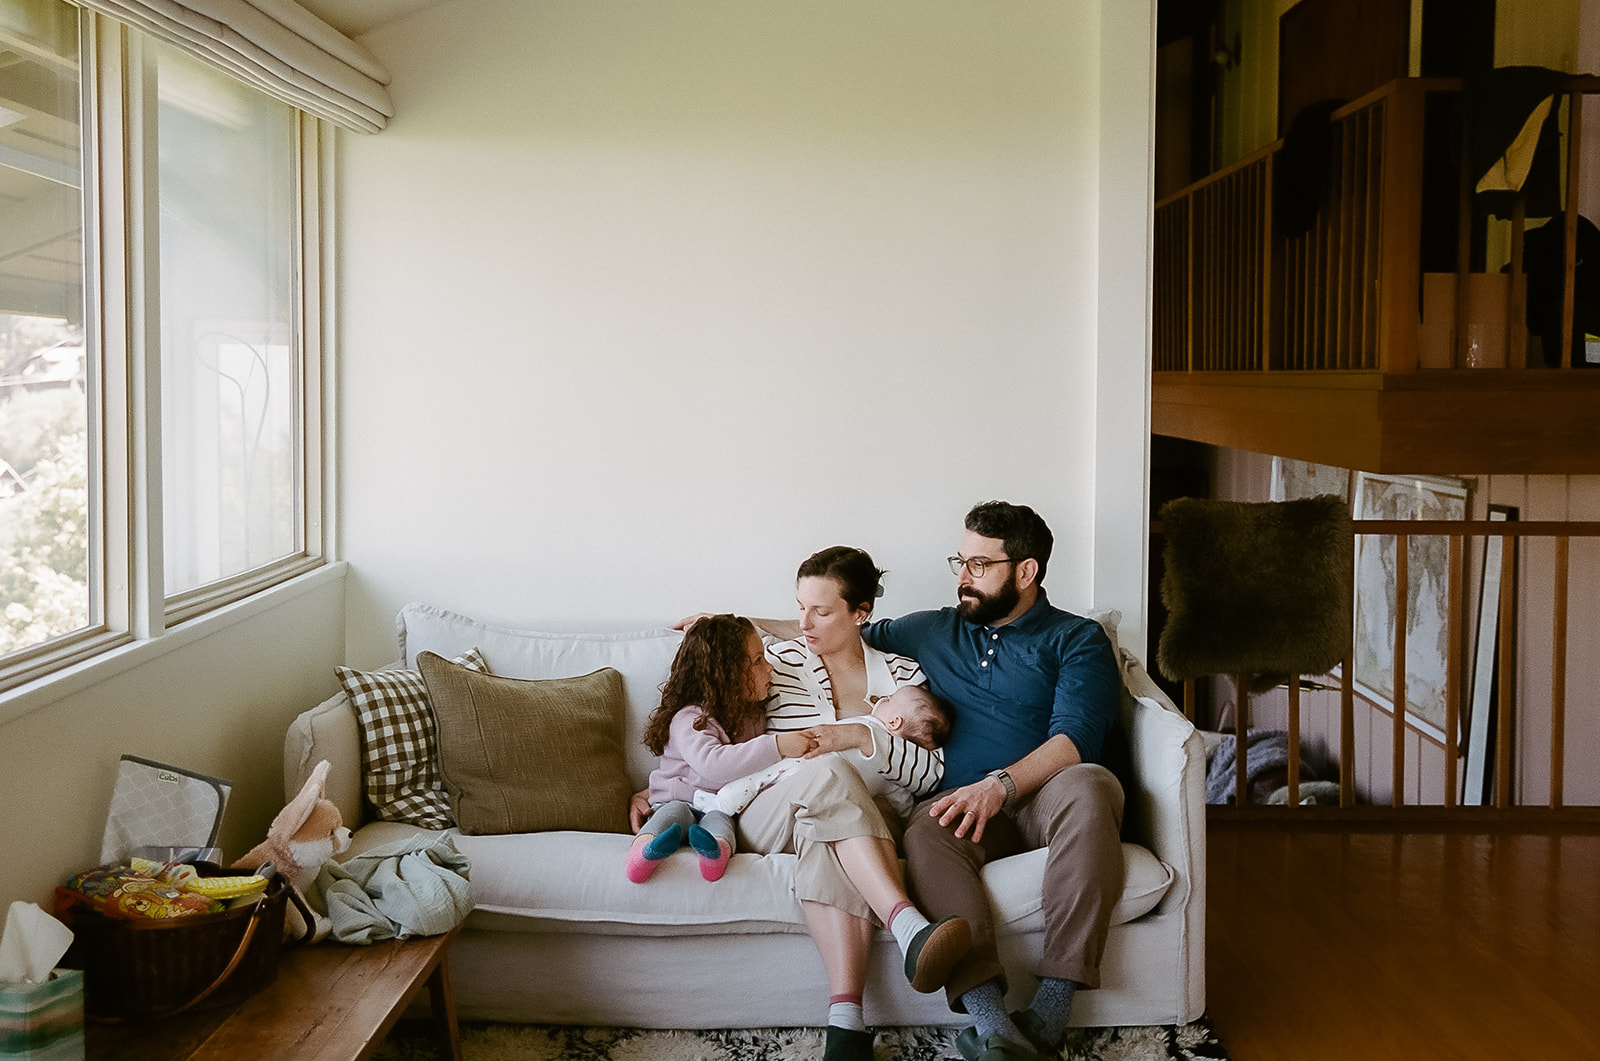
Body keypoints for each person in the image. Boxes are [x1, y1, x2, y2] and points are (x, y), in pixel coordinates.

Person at [663, 546, 960, 1061]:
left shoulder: (903, 677)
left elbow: (931, 773)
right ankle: (907, 924)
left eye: (821, 611)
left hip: (863, 814)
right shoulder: (777, 660)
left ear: (860, 614)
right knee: (824, 773)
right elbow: (705, 720)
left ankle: (846, 1023)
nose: (803, 621)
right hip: (771, 806)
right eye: (799, 605)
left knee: (828, 834)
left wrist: (857, 737)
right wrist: (664, 786)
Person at [860, 501, 1125, 1061]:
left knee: (1091, 783)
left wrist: (1000, 785)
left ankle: (1052, 1014)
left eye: (979, 565)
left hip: (1045, 797)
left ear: (1025, 572)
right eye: (960, 561)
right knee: (927, 829)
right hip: (967, 809)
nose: (962, 577)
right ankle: (993, 1026)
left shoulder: (1076, 639)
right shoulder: (938, 628)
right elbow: (850, 628)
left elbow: (1074, 740)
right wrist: (738, 624)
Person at [628, 614, 816, 883]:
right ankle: (643, 852)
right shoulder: (690, 718)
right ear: (726, 674)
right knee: (674, 814)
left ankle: (714, 855)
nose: (770, 667)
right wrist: (779, 745)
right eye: (758, 661)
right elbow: (714, 765)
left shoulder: (753, 716)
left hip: (718, 807)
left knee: (720, 824)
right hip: (677, 798)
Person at [700, 683, 951, 819]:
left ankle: (720, 805)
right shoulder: (893, 776)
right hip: (807, 766)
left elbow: (928, 778)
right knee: (769, 776)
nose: (882, 698)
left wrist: (862, 736)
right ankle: (719, 809)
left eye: (890, 698)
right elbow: (903, 805)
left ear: (895, 722)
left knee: (765, 777)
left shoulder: (872, 729)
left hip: (815, 776)